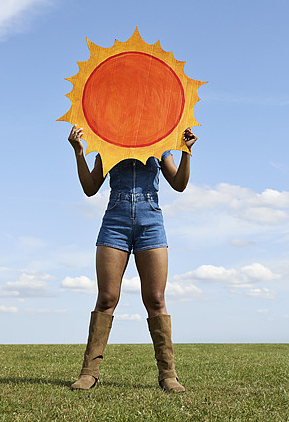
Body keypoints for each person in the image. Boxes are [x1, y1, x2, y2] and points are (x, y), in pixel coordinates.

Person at [67, 124, 197, 393]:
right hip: (115, 219)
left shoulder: (161, 139)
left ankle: (168, 375)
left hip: (151, 220)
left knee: (156, 299)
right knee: (106, 298)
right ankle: (89, 373)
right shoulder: (107, 139)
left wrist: (186, 151)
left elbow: (179, 184)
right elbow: (90, 188)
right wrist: (79, 153)